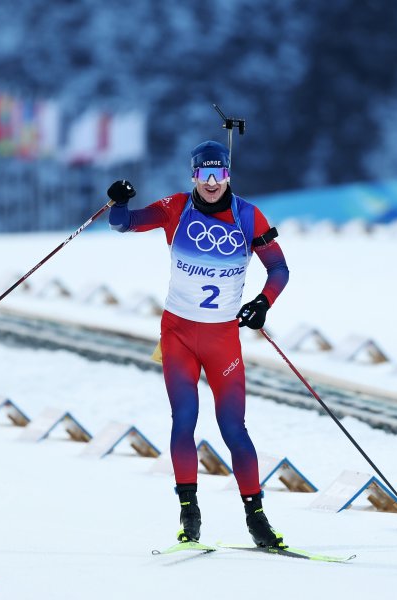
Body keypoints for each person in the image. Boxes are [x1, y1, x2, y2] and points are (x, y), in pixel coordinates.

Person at [106, 140, 290, 547]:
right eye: (203, 174)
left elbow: (278, 268)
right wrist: (117, 202)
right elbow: (123, 223)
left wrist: (263, 302)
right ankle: (189, 513)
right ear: (193, 175)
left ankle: (256, 517)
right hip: (178, 335)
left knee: (232, 428)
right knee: (184, 418)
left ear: (228, 174)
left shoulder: (248, 215)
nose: (211, 183)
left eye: (219, 174)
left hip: (222, 338)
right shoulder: (175, 208)